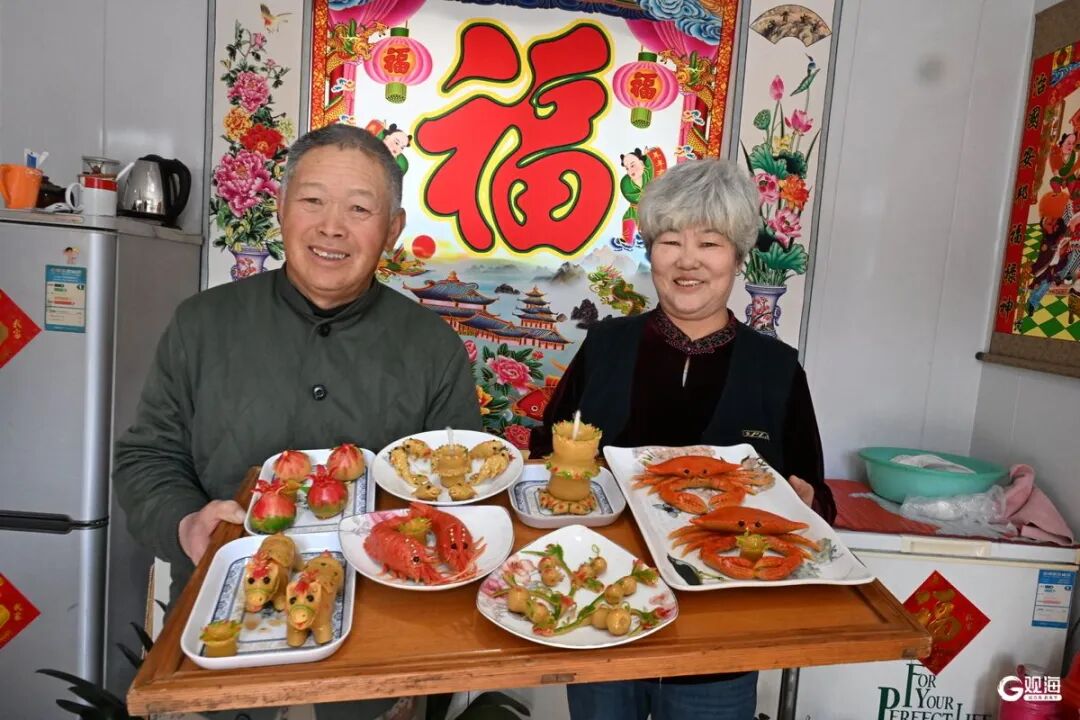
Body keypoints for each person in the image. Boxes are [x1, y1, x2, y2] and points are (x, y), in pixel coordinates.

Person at [114, 124, 481, 720]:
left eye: (359, 209)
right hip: (221, 630)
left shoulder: (433, 347)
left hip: (376, 647)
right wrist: (185, 523)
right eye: (312, 200)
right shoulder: (202, 324)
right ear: (281, 208)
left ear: (392, 230)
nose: (332, 227)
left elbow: (454, 492)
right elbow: (147, 457)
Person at [530, 158, 836, 720]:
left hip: (722, 638)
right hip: (603, 615)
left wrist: (808, 501)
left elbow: (817, 497)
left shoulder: (776, 369)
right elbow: (547, 450)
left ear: (738, 257)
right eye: (670, 241)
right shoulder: (606, 345)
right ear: (651, 252)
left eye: (710, 243)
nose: (688, 260)